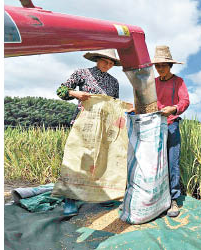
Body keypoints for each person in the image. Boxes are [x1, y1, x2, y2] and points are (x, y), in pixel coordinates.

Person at [56, 49, 122, 216]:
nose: (109, 65)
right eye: (106, 61)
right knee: (77, 158)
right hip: (83, 122)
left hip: (104, 125)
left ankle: (100, 195)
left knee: (100, 158)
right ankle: (70, 199)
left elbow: (114, 104)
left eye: (112, 63)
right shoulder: (82, 73)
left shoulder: (114, 82)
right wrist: (74, 93)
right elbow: (61, 90)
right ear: (97, 60)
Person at [151, 45, 190, 217]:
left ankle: (173, 199)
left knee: (172, 161)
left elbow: (185, 101)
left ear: (170, 66)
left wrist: (173, 108)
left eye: (163, 65)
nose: (160, 69)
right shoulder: (152, 83)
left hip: (171, 124)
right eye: (157, 66)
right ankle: (155, 198)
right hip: (153, 126)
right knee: (154, 163)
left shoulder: (178, 82)